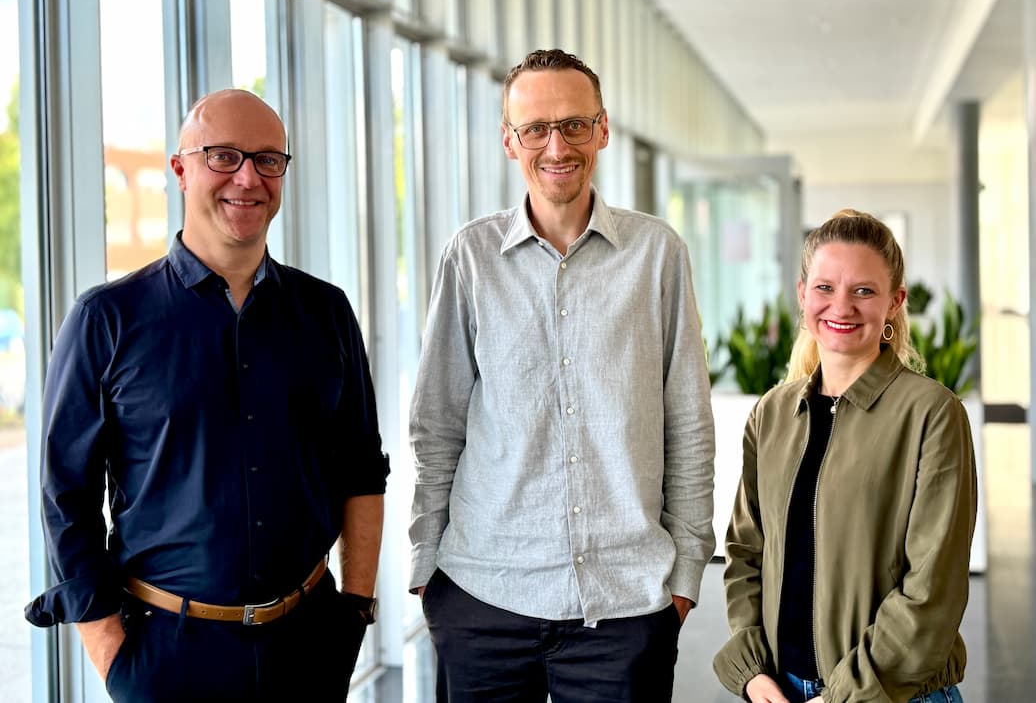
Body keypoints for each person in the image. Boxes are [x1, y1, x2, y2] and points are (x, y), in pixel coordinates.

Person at [26, 89, 389, 702]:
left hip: (308, 647)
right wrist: (109, 651)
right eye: (223, 156)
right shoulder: (106, 319)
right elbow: (67, 494)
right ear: (180, 169)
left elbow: (360, 467)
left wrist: (353, 611)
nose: (247, 178)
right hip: (166, 657)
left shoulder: (326, 312)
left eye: (268, 160)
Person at [409, 48, 716, 702]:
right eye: (536, 129)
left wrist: (686, 574)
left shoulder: (657, 253)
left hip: (625, 604)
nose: (557, 145)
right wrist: (423, 570)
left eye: (574, 125)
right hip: (483, 597)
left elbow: (688, 422)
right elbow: (436, 423)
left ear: (602, 129)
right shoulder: (470, 258)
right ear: (508, 141)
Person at [714, 209, 977, 703]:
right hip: (782, 691)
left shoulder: (931, 414)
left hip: (893, 695)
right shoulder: (771, 414)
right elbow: (747, 553)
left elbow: (933, 589)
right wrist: (752, 672)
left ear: (895, 303)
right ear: (802, 294)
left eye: (864, 290)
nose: (841, 306)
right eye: (825, 288)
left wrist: (845, 696)